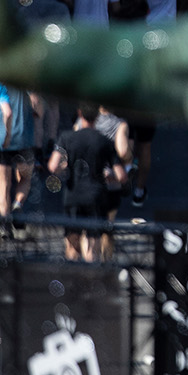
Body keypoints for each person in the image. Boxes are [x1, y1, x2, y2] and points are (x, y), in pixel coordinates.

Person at [48, 106, 125, 263]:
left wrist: (65, 167)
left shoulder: (67, 137)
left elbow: (53, 165)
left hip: (73, 196)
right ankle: (90, 281)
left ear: (79, 113)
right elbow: (121, 176)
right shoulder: (104, 142)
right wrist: (110, 177)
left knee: (72, 244)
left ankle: (72, 280)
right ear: (97, 116)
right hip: (95, 197)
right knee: (92, 244)